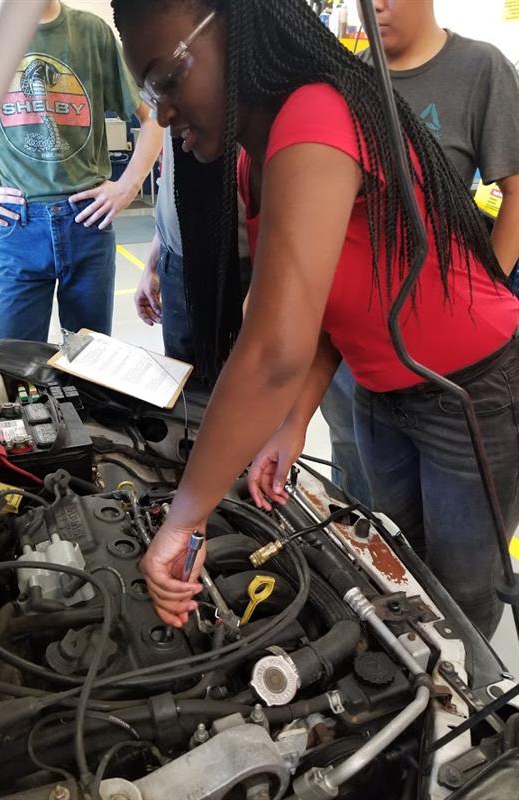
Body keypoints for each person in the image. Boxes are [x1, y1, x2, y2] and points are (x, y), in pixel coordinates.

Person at [113, 0, 519, 639]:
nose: (161, 112)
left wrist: (183, 520)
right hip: (381, 390)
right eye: (148, 93)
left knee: (462, 595)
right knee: (400, 569)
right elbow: (325, 304)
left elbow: (273, 352)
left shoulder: (314, 116)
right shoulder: (256, 155)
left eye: (166, 79)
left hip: (471, 393)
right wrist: (294, 421)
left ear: (231, 32)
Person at [320, 0, 519, 507]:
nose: (375, 6)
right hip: (359, 357)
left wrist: (486, 292)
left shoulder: (480, 69)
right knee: (368, 502)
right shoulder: (345, 80)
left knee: (461, 537)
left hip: (448, 362)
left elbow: (517, 193)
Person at [0, 0, 162, 342]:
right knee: (14, 358)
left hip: (87, 221)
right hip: (17, 226)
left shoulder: (92, 33)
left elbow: (153, 117)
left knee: (89, 358)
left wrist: (129, 185)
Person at [136, 128, 251, 368]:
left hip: (240, 269)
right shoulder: (170, 111)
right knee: (182, 377)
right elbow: (174, 184)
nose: (164, 117)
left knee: (239, 376)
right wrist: (153, 264)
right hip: (176, 263)